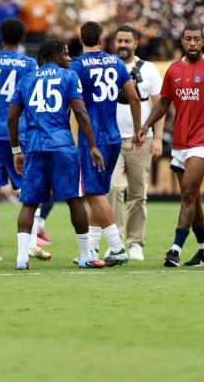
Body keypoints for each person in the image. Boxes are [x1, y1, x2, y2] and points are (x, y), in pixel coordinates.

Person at [8, 38, 107, 270]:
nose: (69, 58)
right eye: (65, 54)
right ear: (54, 55)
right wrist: (93, 146)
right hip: (62, 145)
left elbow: (12, 117)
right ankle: (86, 256)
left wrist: (16, 150)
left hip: (34, 146)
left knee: (29, 203)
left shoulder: (26, 79)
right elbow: (80, 112)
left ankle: (21, 258)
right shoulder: (69, 76)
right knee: (75, 200)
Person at [137, 23, 204, 268]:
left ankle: (175, 249)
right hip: (179, 143)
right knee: (192, 197)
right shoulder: (173, 70)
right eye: (188, 39)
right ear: (182, 41)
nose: (192, 43)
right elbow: (164, 103)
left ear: (203, 42)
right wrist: (146, 126)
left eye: (197, 38)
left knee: (187, 193)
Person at [70, 21, 143, 266]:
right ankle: (91, 249)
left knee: (92, 194)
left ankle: (117, 247)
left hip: (92, 139)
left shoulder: (77, 66)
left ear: (81, 40)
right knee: (97, 194)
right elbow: (134, 98)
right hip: (113, 137)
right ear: (101, 40)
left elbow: (73, 105)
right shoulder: (116, 62)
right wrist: (138, 130)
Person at [0, 18, 43, 263]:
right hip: (20, 132)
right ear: (22, 38)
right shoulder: (29, 64)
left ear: (1, 37)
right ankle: (32, 243)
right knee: (29, 185)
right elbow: (32, 96)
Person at [105, 25, 165, 261]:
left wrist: (157, 138)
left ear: (136, 44)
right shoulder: (106, 67)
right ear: (114, 43)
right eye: (119, 40)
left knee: (138, 194)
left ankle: (135, 242)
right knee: (113, 189)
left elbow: (160, 106)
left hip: (141, 139)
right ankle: (116, 241)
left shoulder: (149, 69)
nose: (123, 45)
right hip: (111, 138)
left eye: (127, 41)